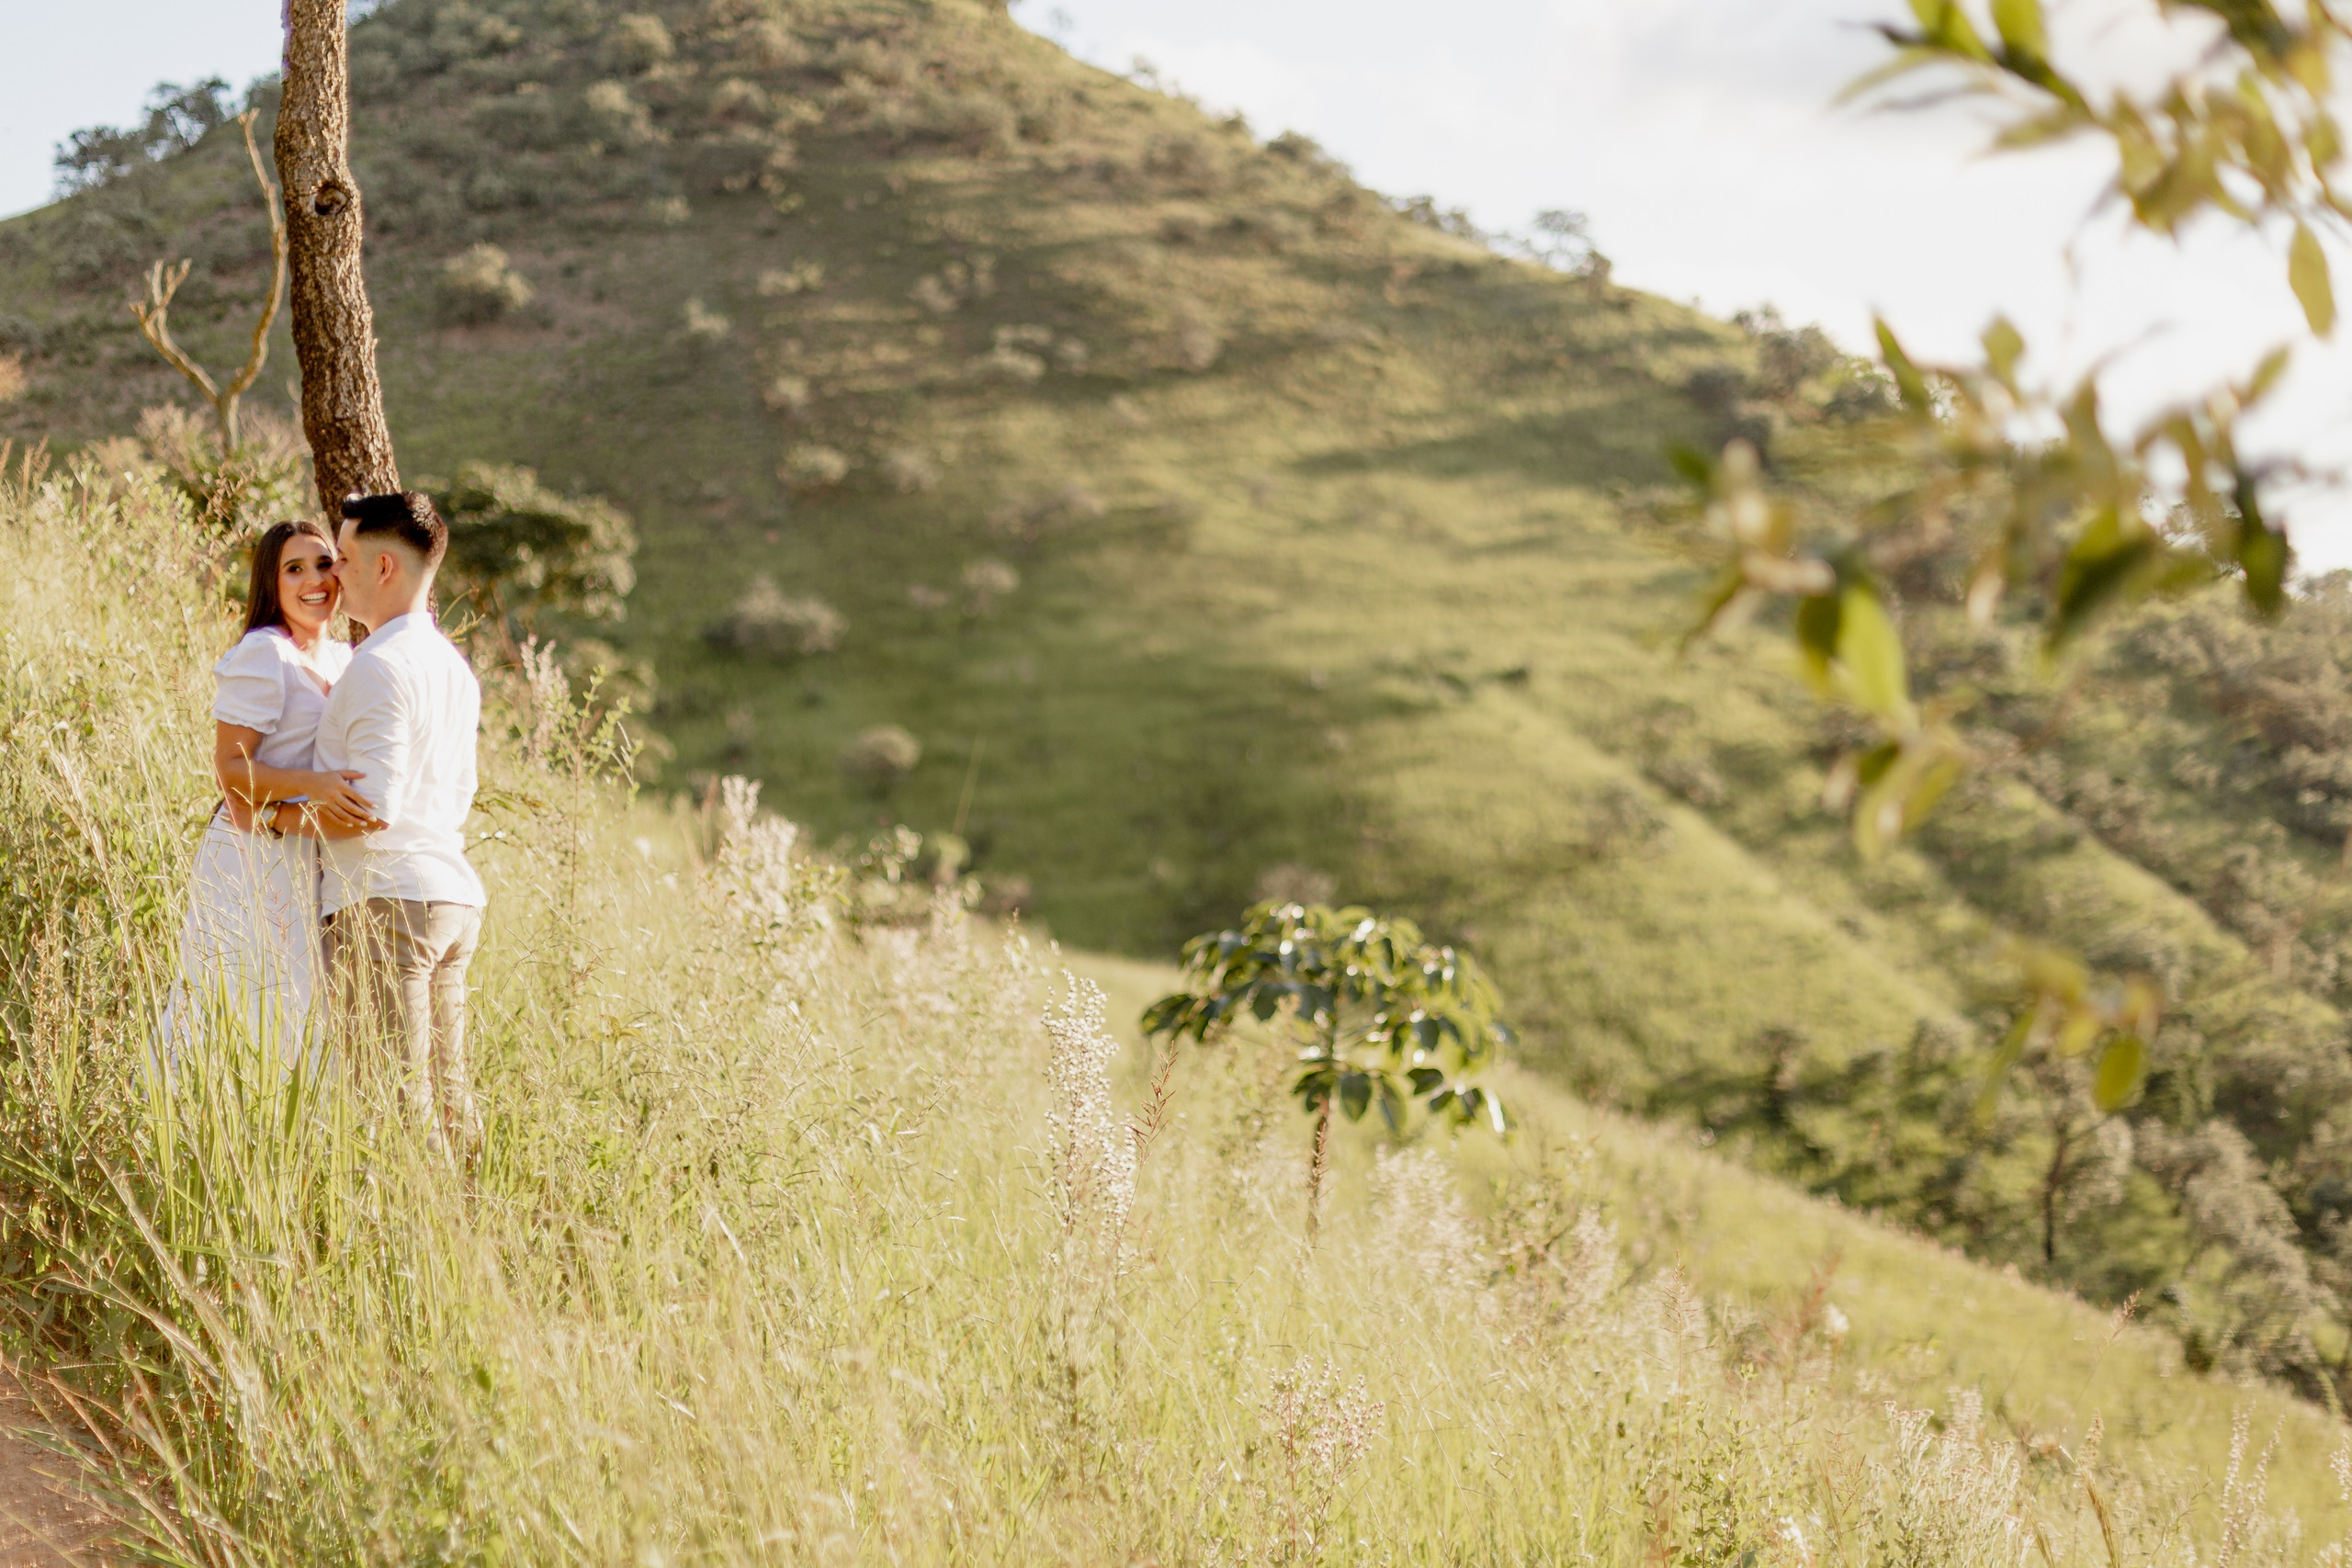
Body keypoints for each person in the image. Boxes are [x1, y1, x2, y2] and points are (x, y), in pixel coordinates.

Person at [263, 491, 486, 1157]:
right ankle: (473, 1241)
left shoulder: (379, 666)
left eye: (347, 558)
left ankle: (429, 1248)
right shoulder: (453, 667)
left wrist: (272, 817)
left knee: (396, 1107)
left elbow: (374, 807)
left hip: (388, 904)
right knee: (450, 1099)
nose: (332, 574)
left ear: (385, 568)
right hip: (449, 896)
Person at [164, 520, 377, 1062]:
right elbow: (232, 769)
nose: (315, 580)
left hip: (309, 853)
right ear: (271, 583)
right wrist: (316, 787)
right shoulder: (265, 654)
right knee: (231, 996)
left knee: (298, 1009)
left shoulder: (341, 658)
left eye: (325, 564)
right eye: (294, 568)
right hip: (249, 853)